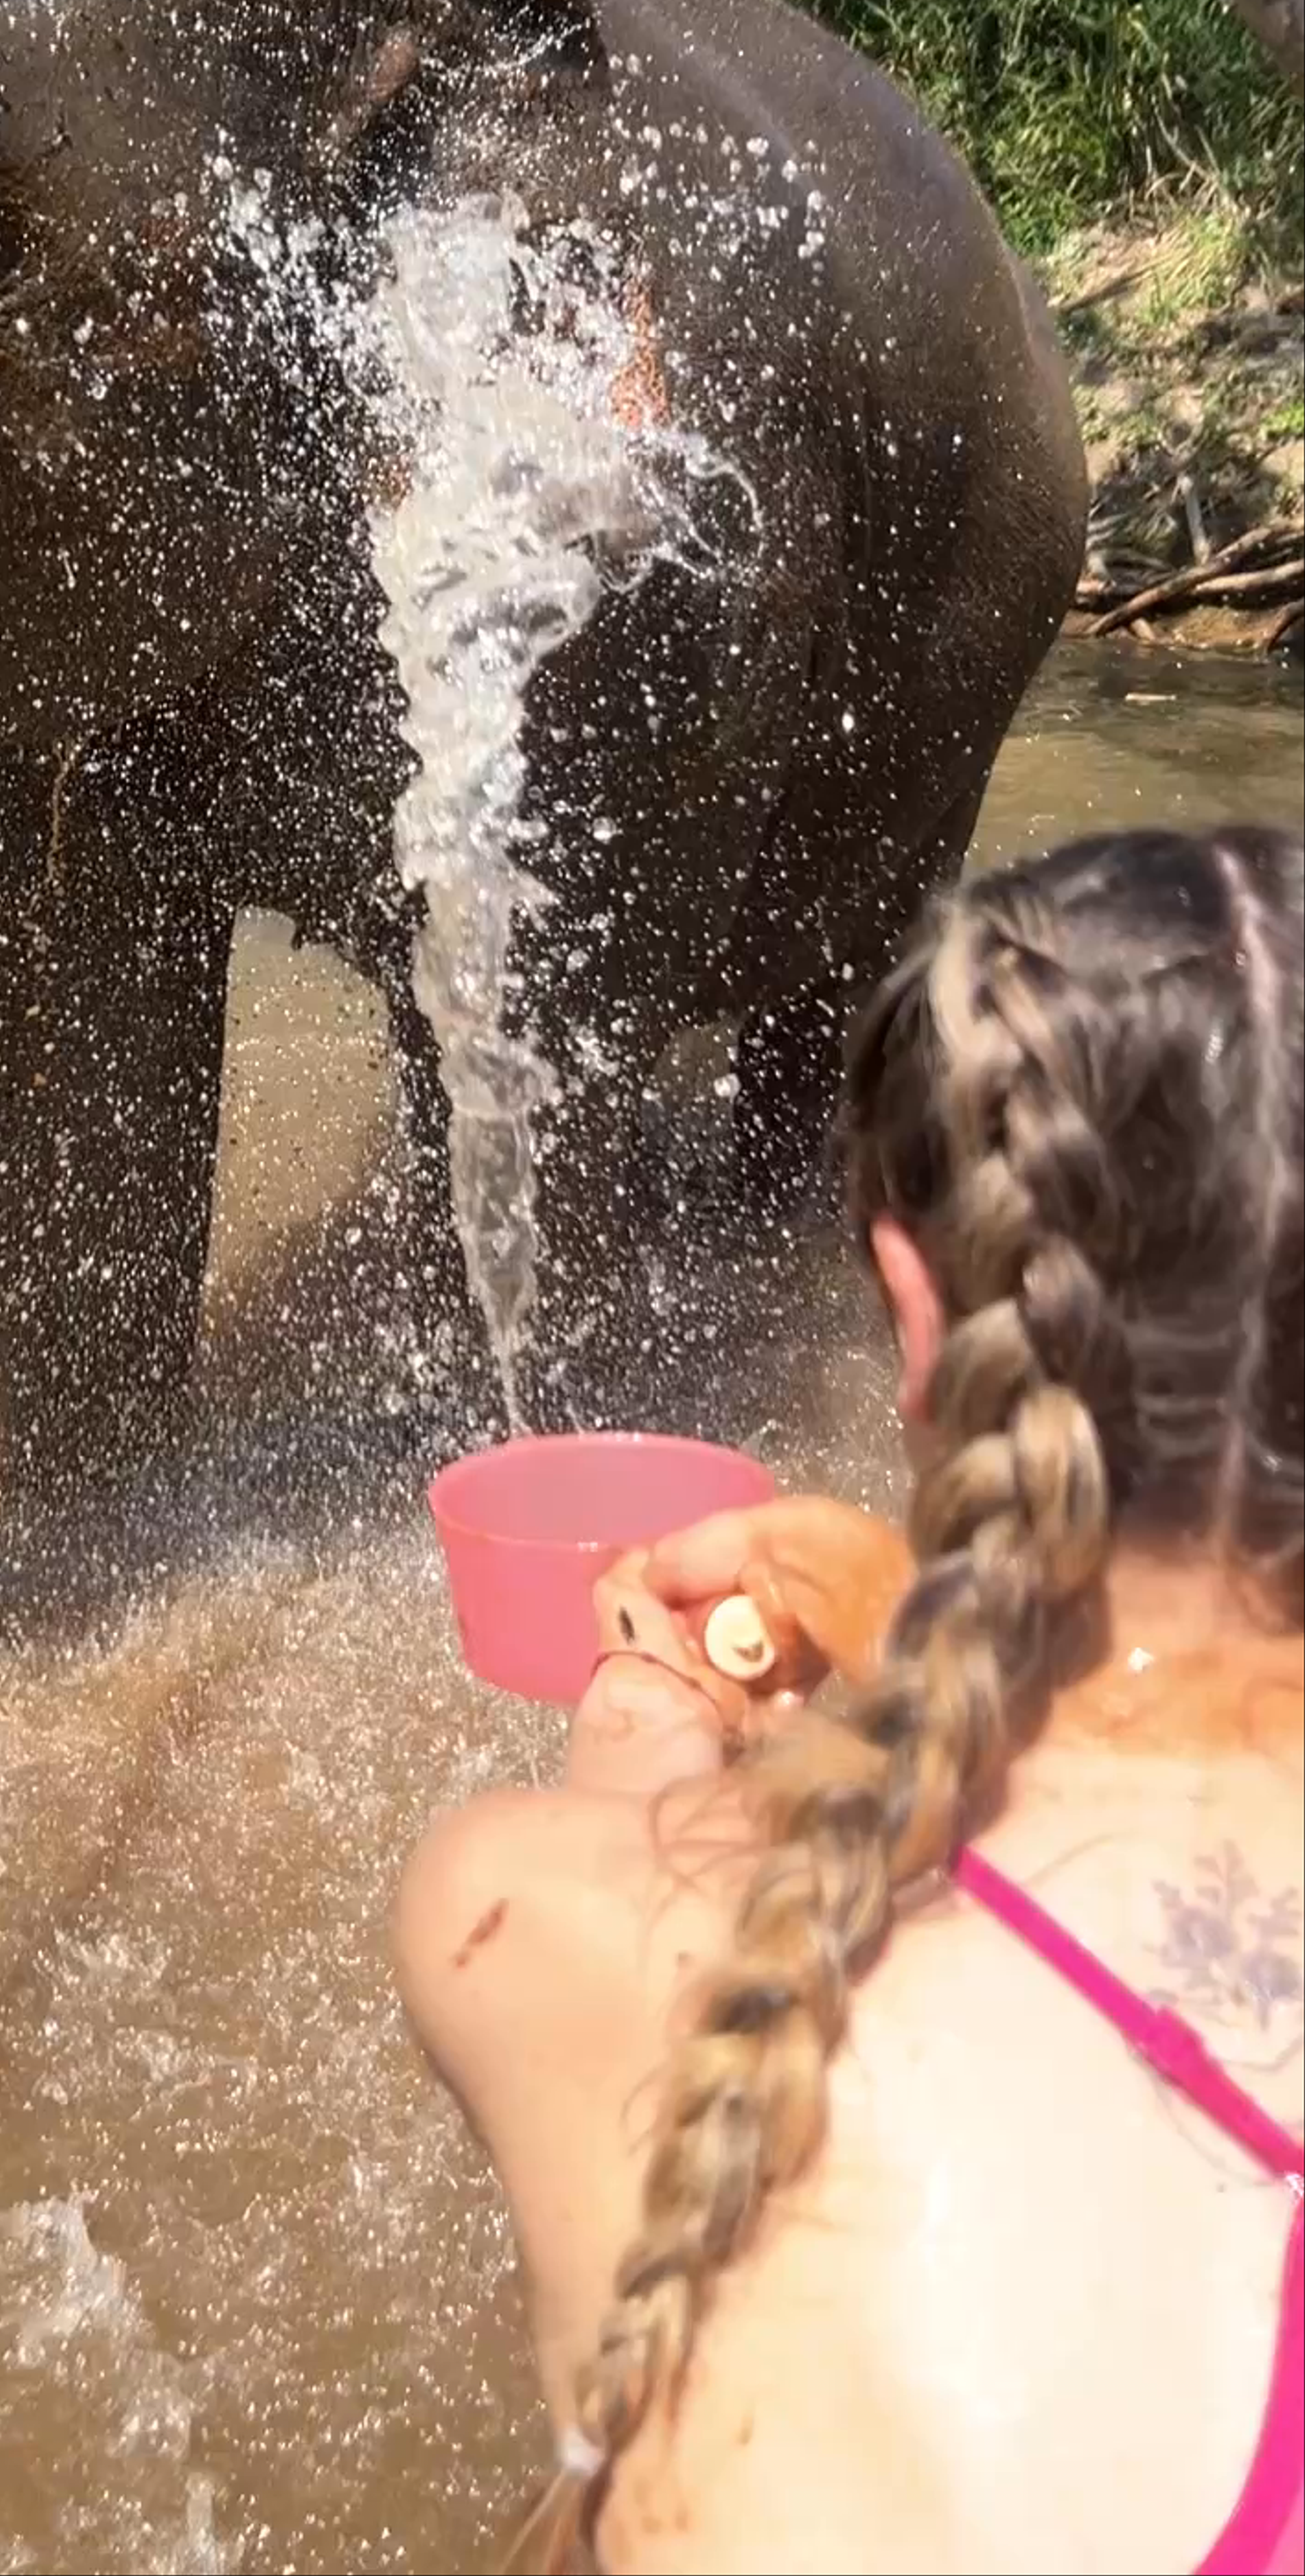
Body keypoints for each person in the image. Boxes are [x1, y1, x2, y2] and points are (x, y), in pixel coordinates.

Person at [396, 827, 1302, 2576]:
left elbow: (626, 1872)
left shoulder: (527, 1913)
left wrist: (658, 1692)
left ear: (916, 1297)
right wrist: (905, 1623)